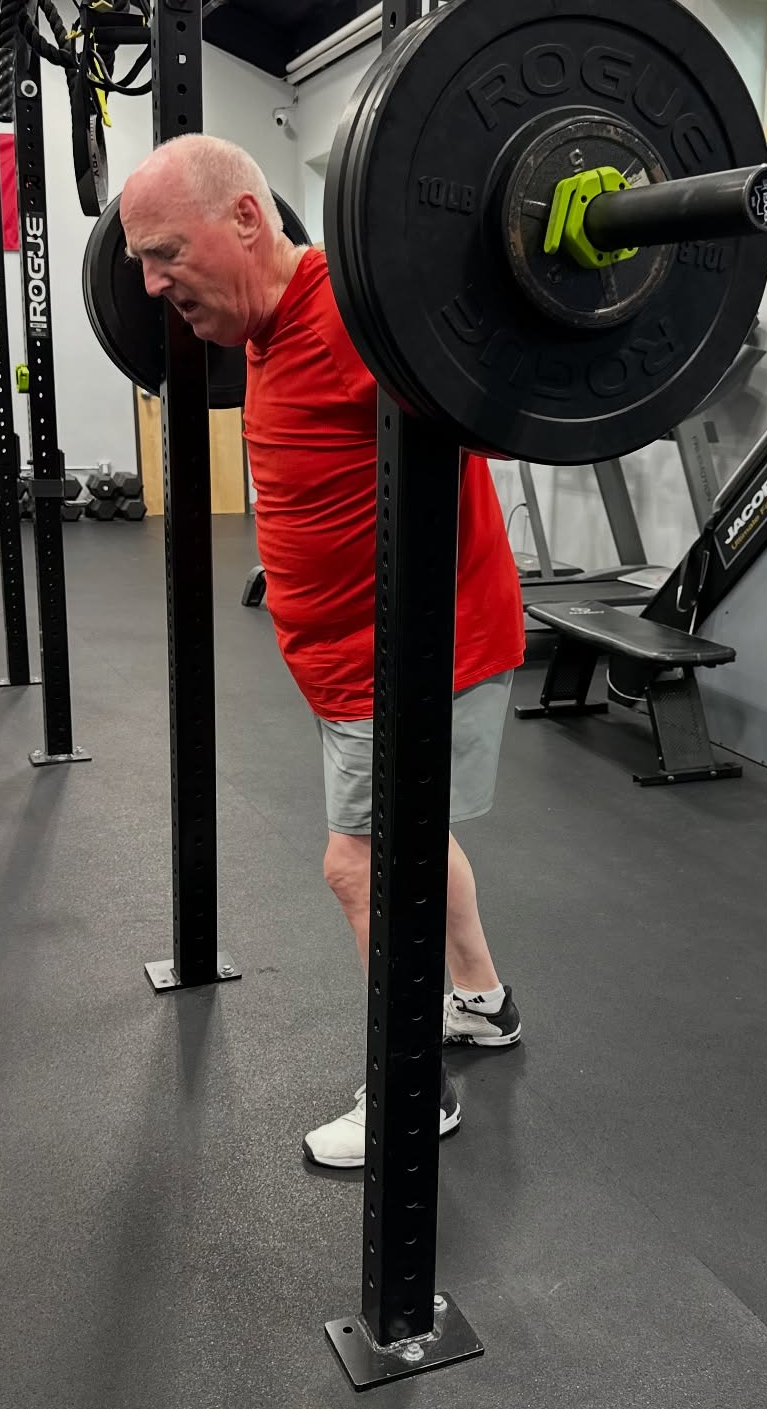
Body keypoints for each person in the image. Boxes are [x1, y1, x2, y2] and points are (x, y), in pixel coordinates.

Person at [119, 134, 526, 1169]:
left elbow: (487, 405)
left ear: (247, 221)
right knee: (411, 835)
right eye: (140, 265)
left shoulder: (360, 312)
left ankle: (411, 1091)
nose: (155, 283)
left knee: (361, 866)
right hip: (350, 659)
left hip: (411, 654)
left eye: (167, 252)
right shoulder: (263, 325)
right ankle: (477, 1000)